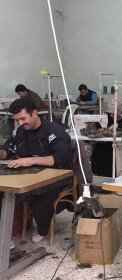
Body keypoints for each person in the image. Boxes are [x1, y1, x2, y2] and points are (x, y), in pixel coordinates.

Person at [0, 98, 72, 243]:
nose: (20, 123)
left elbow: (63, 157)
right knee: (4, 194)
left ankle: (42, 229)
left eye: (22, 118)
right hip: (29, 176)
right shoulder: (19, 132)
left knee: (40, 202)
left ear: (34, 113)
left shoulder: (54, 131)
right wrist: (2, 153)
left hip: (56, 178)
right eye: (17, 120)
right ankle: (6, 236)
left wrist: (31, 160)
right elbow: (9, 149)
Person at [91, 97, 122, 177]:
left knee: (118, 151)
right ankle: (101, 174)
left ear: (120, 109)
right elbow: (100, 123)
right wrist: (101, 128)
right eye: (110, 113)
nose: (111, 115)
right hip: (109, 141)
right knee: (99, 148)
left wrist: (118, 125)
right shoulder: (109, 114)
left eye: (113, 113)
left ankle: (118, 174)